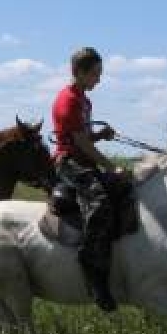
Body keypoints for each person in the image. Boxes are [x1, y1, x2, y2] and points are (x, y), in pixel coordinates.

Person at [51, 46, 128, 312]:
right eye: (95, 74)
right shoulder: (68, 100)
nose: (99, 79)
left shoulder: (85, 100)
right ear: (78, 72)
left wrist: (101, 135)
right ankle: (91, 264)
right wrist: (109, 166)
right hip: (69, 163)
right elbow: (79, 143)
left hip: (82, 159)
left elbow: (83, 137)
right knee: (100, 204)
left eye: (100, 73)